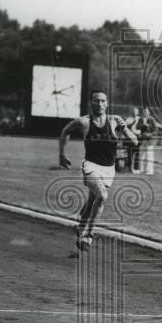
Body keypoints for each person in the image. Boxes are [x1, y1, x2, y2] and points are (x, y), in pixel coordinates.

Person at [58, 90, 140, 254]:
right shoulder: (84, 122)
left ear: (107, 103)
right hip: (91, 166)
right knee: (102, 196)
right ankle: (89, 234)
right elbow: (65, 130)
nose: (100, 104)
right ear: (91, 103)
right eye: (97, 101)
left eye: (103, 101)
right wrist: (62, 154)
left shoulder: (115, 121)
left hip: (109, 168)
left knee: (92, 202)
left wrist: (124, 128)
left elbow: (134, 141)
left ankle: (80, 227)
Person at [134, 106, 157, 174]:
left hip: (150, 140)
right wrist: (143, 125)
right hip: (143, 140)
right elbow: (137, 127)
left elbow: (155, 130)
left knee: (149, 155)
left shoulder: (152, 119)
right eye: (144, 111)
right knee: (142, 155)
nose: (145, 113)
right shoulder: (141, 119)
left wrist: (150, 134)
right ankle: (141, 169)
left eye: (146, 111)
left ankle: (149, 171)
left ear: (148, 112)